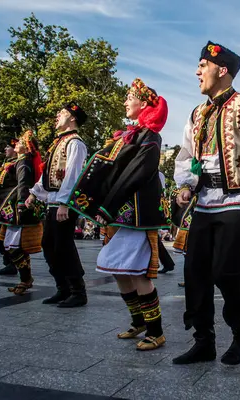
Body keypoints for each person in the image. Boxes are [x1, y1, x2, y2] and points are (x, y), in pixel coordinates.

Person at [173, 41, 240, 365]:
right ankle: (203, 341)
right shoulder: (197, 113)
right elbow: (187, 156)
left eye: (202, 65)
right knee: (194, 271)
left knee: (225, 270)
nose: (197, 72)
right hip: (206, 200)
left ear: (222, 70)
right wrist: (186, 184)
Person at [67, 78, 169, 350]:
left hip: (137, 215)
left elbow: (137, 173)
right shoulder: (129, 135)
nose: (124, 101)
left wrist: (106, 205)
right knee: (117, 268)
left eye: (129, 97)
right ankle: (138, 321)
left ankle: (156, 331)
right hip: (120, 214)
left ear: (144, 103)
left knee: (137, 274)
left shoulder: (150, 137)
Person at [25, 102, 88, 308]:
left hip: (63, 205)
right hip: (53, 203)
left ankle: (78, 291)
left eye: (61, 113)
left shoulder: (75, 143)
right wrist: (34, 193)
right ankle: (63, 288)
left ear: (72, 118)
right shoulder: (58, 143)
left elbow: (73, 174)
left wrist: (65, 203)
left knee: (64, 246)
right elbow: (47, 175)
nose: (57, 116)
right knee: (49, 245)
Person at [0, 130, 45, 295]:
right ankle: (25, 279)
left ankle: (26, 279)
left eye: (20, 142)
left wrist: (21, 205)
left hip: (18, 209)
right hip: (16, 208)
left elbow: (23, 185)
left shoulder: (23, 162)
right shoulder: (21, 161)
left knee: (13, 246)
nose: (16, 144)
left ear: (27, 146)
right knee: (13, 246)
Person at [0, 138, 20, 275]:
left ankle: (14, 262)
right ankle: (9, 261)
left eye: (8, 147)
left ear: (15, 149)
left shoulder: (18, 164)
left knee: (3, 234)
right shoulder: (6, 164)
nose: (5, 149)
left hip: (9, 204)